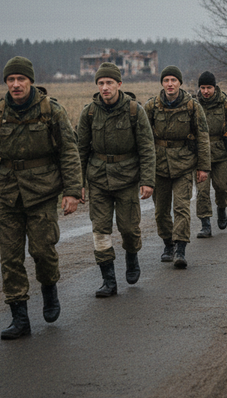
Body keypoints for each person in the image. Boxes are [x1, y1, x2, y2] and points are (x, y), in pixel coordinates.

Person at [0, 56, 82, 340]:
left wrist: (72, 191)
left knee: (43, 251)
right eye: (11, 80)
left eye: (21, 79)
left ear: (31, 80)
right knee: (10, 257)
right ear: (6, 83)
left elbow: (69, 152)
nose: (16, 84)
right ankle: (19, 317)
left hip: (42, 193)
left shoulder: (51, 111)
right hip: (7, 194)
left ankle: (49, 289)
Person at [77, 63, 156, 298]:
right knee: (100, 231)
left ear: (119, 84)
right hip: (98, 179)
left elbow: (147, 148)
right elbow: (80, 151)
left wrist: (147, 180)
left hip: (127, 178)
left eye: (109, 83)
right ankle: (108, 281)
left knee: (129, 229)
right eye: (100, 83)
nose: (104, 88)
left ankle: (132, 257)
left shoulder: (134, 111)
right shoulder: (89, 112)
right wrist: (78, 184)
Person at [144, 66, 211, 268]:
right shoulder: (151, 107)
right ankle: (168, 244)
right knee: (161, 211)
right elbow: (143, 139)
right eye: (166, 80)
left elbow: (203, 138)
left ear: (180, 83)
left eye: (174, 80)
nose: (170, 84)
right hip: (159, 166)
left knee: (181, 208)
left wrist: (203, 167)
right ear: (162, 83)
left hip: (183, 164)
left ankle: (181, 248)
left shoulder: (192, 106)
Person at [194, 71, 227, 237]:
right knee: (202, 191)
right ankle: (205, 223)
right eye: (203, 88)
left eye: (209, 87)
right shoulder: (193, 104)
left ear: (214, 87)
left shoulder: (225, 103)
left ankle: (221, 208)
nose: (206, 91)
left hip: (221, 153)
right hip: (201, 154)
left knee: (222, 187)